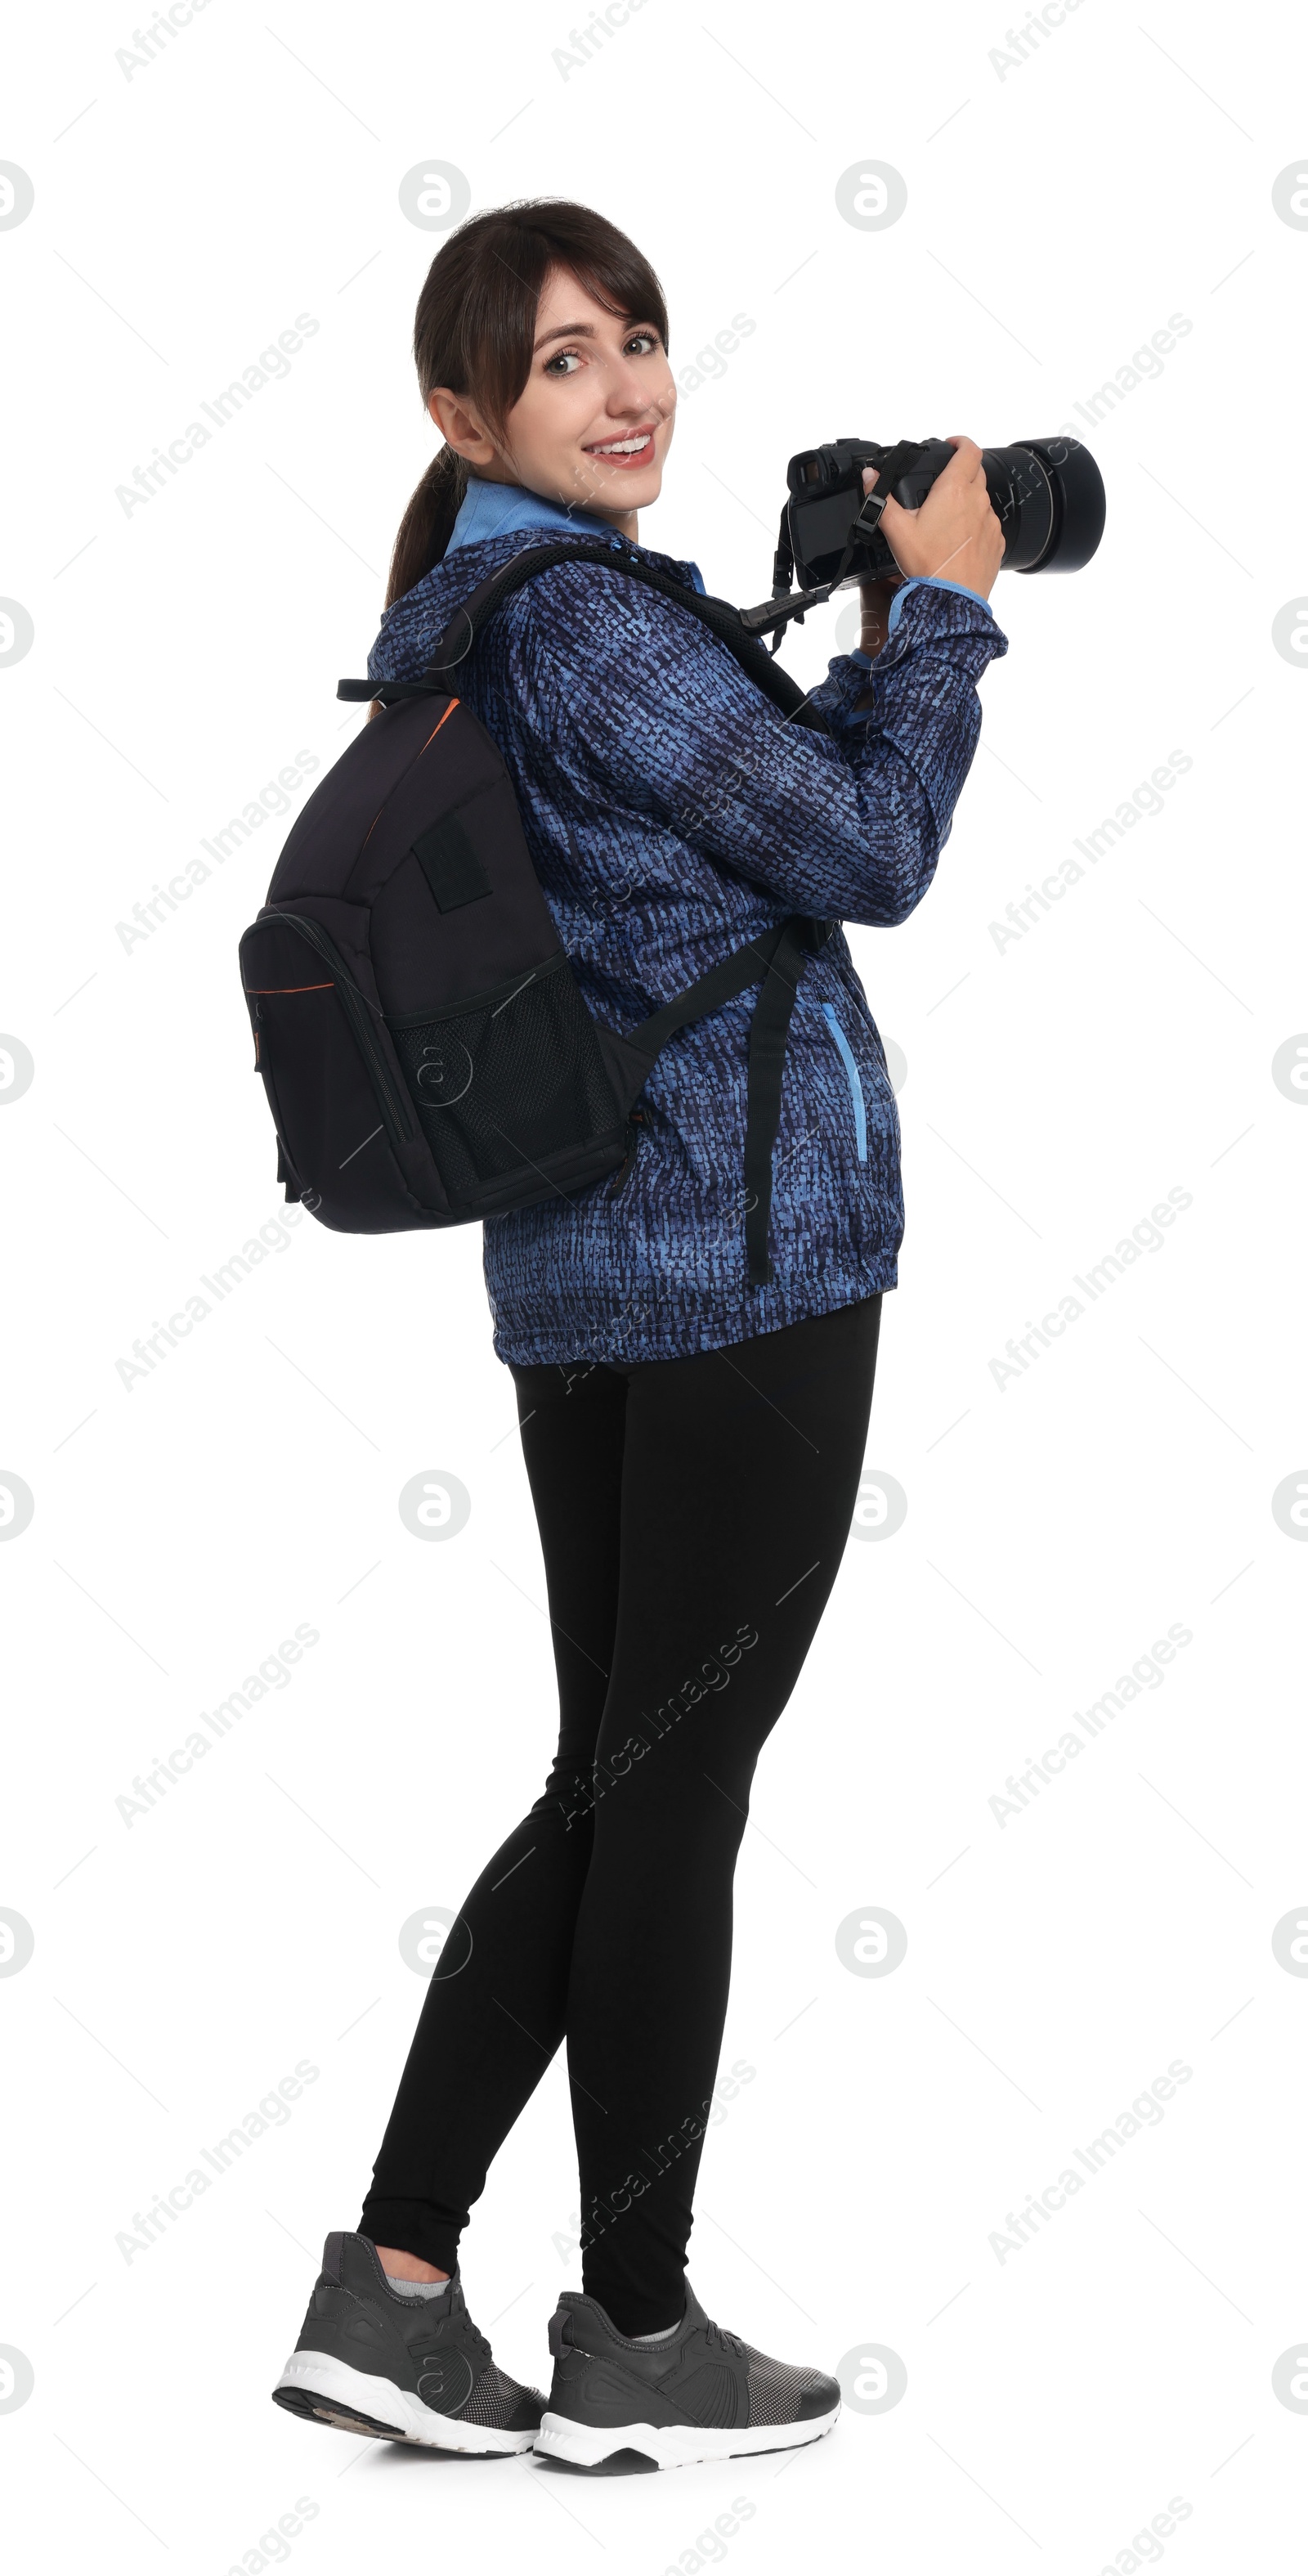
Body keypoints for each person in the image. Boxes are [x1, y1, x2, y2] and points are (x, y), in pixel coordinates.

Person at [271, 198, 1006, 2472]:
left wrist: (861, 621)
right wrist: (946, 603)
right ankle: (638, 2327)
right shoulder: (585, 622)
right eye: (568, 358)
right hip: (742, 1272)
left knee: (616, 1774)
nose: (630, 389)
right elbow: (868, 847)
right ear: (464, 408)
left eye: (645, 341)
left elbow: (762, 837)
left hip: (592, 1277)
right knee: (673, 1788)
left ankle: (395, 2283)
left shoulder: (487, 613)